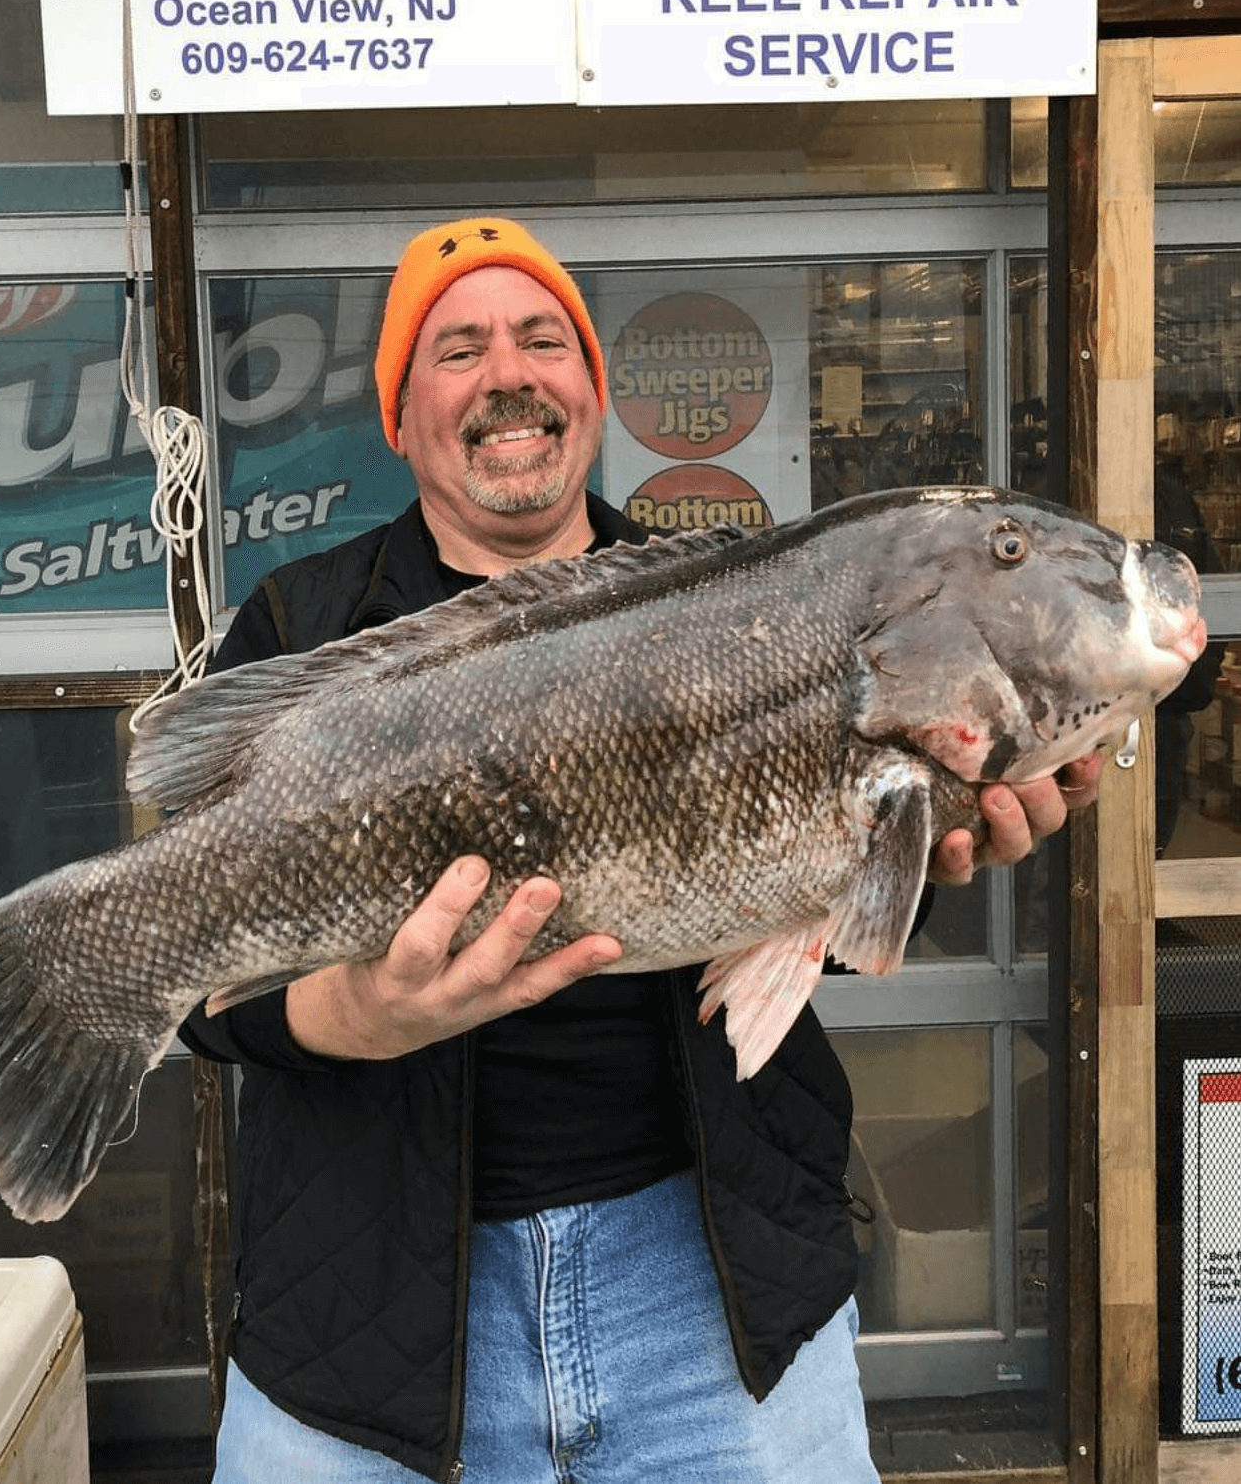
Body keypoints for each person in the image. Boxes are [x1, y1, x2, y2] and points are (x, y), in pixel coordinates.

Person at [180, 216, 1102, 1484]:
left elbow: (775, 921)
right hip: (369, 1323)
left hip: (715, 1301)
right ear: (401, 414)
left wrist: (910, 857)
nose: (509, 372)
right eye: (457, 347)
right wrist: (353, 1013)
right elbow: (185, 973)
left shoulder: (740, 597)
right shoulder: (303, 634)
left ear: (591, 393)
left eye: (544, 338)